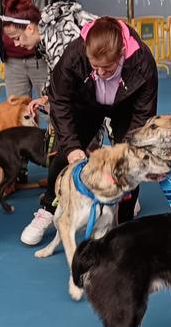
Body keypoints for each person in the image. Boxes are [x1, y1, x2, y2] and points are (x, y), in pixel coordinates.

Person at [18, 16, 158, 246]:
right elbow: (60, 100)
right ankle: (48, 208)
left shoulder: (142, 61)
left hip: (125, 106)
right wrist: (72, 147)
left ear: (122, 53)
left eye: (107, 67)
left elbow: (143, 116)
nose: (101, 72)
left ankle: (124, 221)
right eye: (95, 66)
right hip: (86, 103)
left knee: (130, 161)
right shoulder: (75, 53)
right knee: (63, 154)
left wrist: (125, 153)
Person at [0, 0, 96, 116]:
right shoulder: (46, 32)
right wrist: (46, 97)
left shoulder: (58, 34)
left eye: (17, 38)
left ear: (30, 29)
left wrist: (52, 100)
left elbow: (67, 81)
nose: (16, 44)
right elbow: (56, 71)